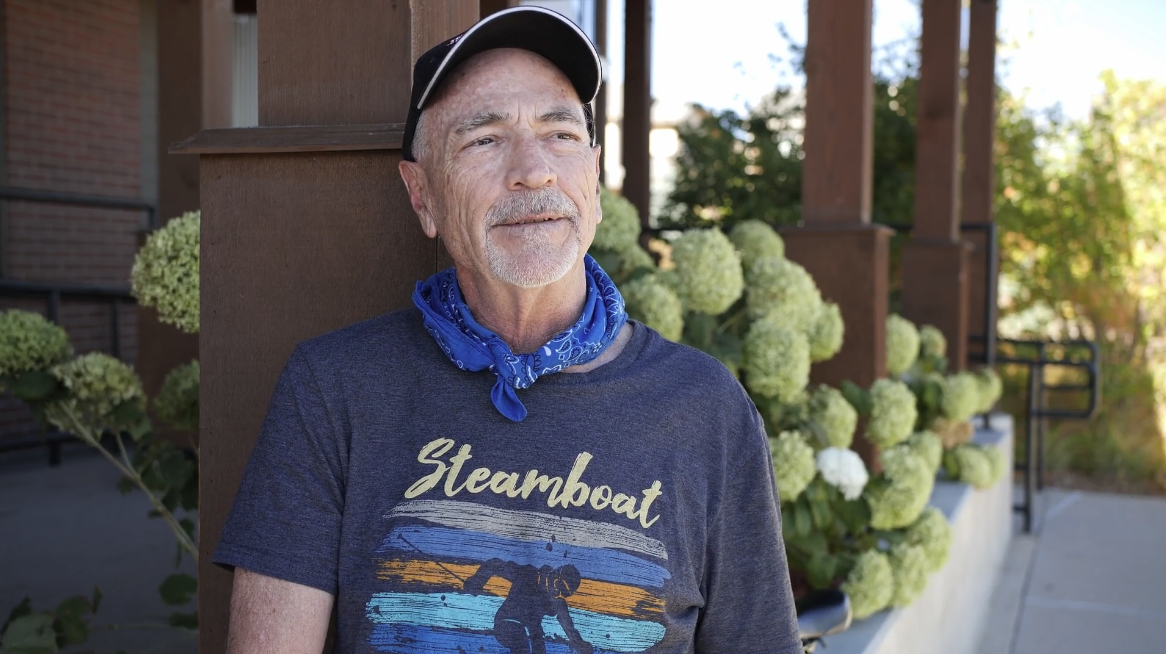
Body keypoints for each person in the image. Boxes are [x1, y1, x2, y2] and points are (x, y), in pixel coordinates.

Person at [214, 7, 801, 654]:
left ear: (595, 180)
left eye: (560, 135)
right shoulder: (334, 390)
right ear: (422, 196)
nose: (533, 170)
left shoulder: (706, 409)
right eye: (483, 140)